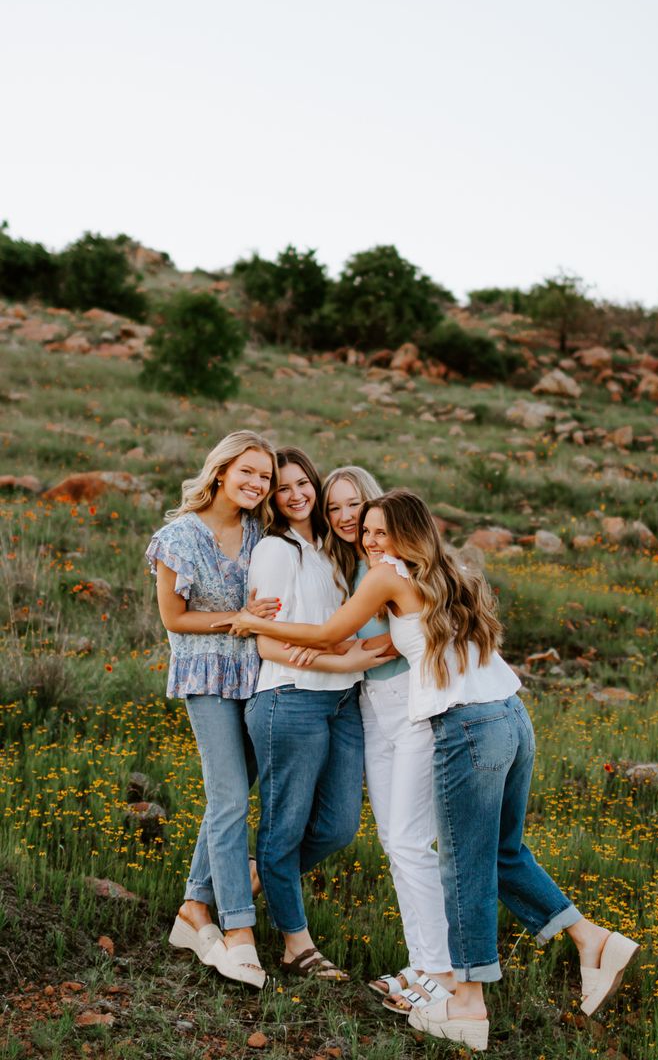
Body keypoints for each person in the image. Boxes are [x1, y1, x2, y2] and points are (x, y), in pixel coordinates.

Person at [217, 489, 640, 1049]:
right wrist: (321, 649)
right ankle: (591, 940)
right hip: (511, 716)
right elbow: (372, 643)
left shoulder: (387, 576)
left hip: (467, 727)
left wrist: (251, 624)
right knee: (501, 852)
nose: (369, 540)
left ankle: (466, 1002)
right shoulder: (451, 574)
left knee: (463, 865)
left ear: (407, 534)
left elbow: (325, 633)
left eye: (380, 531)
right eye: (365, 531)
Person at [244, 448, 386, 981]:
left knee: (337, 827)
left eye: (305, 484)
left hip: (342, 701)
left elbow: (344, 623)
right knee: (284, 829)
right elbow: (265, 643)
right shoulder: (277, 550)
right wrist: (339, 655)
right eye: (284, 488)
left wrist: (342, 653)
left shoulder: (330, 549)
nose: (297, 494)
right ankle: (295, 944)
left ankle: (255, 877)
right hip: (291, 699)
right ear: (273, 500)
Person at [145, 429, 279, 989]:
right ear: (221, 470)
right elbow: (173, 619)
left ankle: (193, 910)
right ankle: (237, 934)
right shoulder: (178, 537)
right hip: (206, 674)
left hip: (256, 673)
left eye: (265, 476)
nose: (257, 483)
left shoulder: (262, 534)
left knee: (233, 796)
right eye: (247, 471)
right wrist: (240, 620)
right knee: (227, 798)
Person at [322, 467, 452, 1013]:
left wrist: (325, 650)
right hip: (373, 707)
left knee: (408, 841)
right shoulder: (352, 563)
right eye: (336, 508)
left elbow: (389, 646)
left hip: (409, 702)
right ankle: (422, 964)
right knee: (396, 844)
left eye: (357, 505)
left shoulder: (389, 566)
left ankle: (441, 972)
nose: (348, 517)